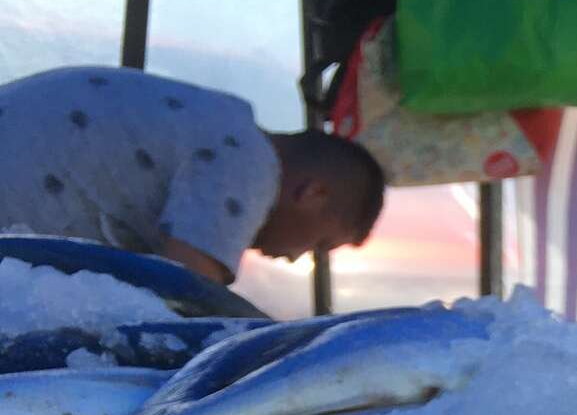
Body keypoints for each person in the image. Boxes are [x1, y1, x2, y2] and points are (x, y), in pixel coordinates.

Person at [0, 65, 386, 283]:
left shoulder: (220, 126)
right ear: (312, 193)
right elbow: (186, 296)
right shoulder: (250, 163)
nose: (292, 257)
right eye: (317, 245)